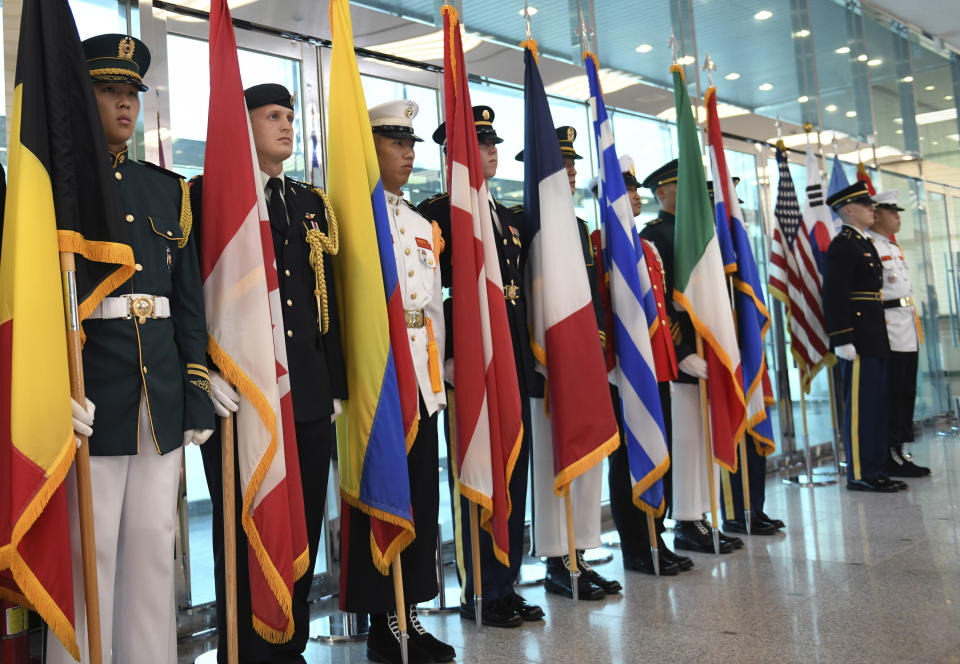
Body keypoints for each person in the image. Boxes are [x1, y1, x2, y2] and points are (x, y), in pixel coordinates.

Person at [47, 34, 214, 664]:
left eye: (131, 94)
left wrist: (194, 390)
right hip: (90, 391)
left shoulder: (167, 190)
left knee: (153, 542)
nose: (124, 105)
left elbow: (186, 302)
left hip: (160, 392)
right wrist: (48, 388)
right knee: (91, 550)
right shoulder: (56, 190)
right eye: (110, 91)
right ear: (81, 97)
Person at [194, 83, 347, 663]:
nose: (286, 125)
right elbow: (194, 294)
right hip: (240, 390)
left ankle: (291, 645)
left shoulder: (310, 203)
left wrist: (333, 383)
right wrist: (203, 370)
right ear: (244, 124)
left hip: (305, 391)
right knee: (242, 527)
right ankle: (243, 649)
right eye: (272, 116)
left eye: (290, 115)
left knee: (300, 523)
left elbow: (323, 297)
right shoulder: (207, 195)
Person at [337, 99, 455, 664]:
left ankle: (412, 614)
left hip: (421, 386)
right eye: (395, 143)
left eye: (411, 145)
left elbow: (432, 312)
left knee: (423, 506)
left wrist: (438, 380)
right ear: (371, 148)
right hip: (377, 385)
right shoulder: (353, 219)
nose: (408, 154)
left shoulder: (419, 225)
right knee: (383, 502)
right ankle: (383, 623)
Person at [418, 106, 544, 628]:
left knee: (514, 478)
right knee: (478, 473)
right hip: (467, 368)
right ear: (454, 155)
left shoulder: (506, 218)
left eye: (493, 143)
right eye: (481, 144)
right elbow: (434, 294)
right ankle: (481, 590)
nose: (491, 151)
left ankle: (506, 581)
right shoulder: (439, 215)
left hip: (509, 365)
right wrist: (445, 355)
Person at [518, 127, 621, 600]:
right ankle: (559, 561)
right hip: (544, 370)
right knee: (551, 462)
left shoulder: (577, 227)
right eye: (564, 164)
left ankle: (580, 553)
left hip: (581, 363)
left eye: (575, 163)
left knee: (585, 458)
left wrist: (595, 348)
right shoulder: (525, 224)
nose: (574, 170)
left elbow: (589, 301)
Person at [596, 156, 694, 575]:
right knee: (626, 459)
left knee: (659, 446)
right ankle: (636, 544)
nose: (636, 196)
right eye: (629, 190)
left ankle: (658, 536)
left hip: (656, 367)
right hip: (624, 372)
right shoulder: (602, 243)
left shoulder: (648, 247)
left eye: (636, 189)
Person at [639, 159, 743, 554]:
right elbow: (663, 303)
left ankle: (700, 513)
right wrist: (681, 351)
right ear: (662, 192)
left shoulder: (701, 233)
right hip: (682, 358)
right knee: (685, 439)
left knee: (702, 437)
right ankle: (684, 519)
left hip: (709, 351)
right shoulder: (657, 236)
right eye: (682, 188)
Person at [705, 179, 784, 537]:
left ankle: (755, 506)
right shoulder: (703, 245)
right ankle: (735, 511)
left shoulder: (735, 241)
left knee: (751, 417)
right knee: (730, 420)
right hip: (719, 350)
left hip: (743, 346)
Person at [822, 181, 903, 493]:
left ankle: (875, 467)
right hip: (856, 338)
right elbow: (834, 295)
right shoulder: (843, 245)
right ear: (847, 209)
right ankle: (860, 472)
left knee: (876, 404)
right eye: (865, 204)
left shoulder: (864, 243)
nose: (873, 209)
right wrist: (841, 338)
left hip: (874, 335)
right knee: (860, 408)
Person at [868, 190, 930, 478]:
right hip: (889, 330)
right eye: (891, 212)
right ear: (876, 215)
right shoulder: (868, 246)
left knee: (906, 394)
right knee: (891, 396)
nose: (897, 217)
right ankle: (889, 453)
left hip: (906, 328)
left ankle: (900, 450)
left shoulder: (893, 248)